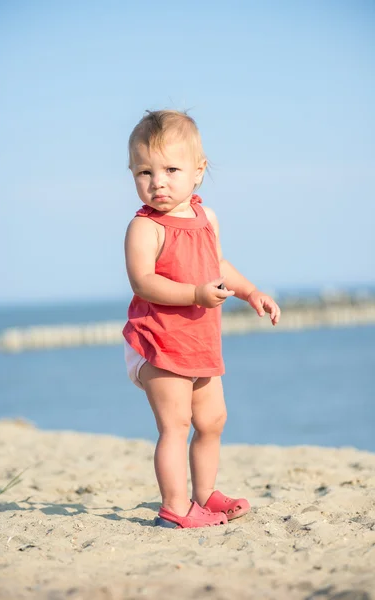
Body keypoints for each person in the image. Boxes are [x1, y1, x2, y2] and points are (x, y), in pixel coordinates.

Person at [123, 110, 281, 529]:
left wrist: (251, 291)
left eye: (171, 169)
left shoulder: (206, 218)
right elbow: (143, 282)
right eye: (144, 171)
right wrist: (194, 294)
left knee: (212, 421)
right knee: (174, 425)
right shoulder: (145, 228)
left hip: (200, 342)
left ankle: (205, 494)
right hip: (159, 341)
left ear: (198, 171)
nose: (157, 182)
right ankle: (174, 508)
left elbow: (218, 263)